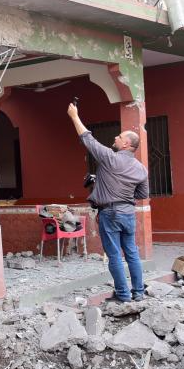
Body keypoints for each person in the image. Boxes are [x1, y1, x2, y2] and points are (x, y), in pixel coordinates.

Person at [67, 102, 148, 303]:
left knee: (114, 255)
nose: (115, 138)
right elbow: (142, 193)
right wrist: (121, 192)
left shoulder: (110, 158)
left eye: (119, 137)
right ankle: (138, 292)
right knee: (132, 253)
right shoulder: (141, 168)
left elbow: (88, 139)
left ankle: (123, 295)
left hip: (110, 214)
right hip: (128, 214)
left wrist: (74, 116)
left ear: (126, 144)